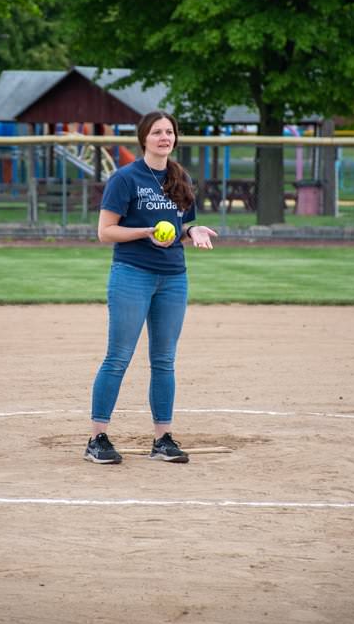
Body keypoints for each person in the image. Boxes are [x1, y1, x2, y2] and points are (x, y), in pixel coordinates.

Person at [84, 110, 217, 465]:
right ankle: (97, 439)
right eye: (157, 132)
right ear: (144, 138)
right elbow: (105, 231)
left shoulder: (180, 177)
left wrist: (194, 231)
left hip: (173, 276)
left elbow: (183, 225)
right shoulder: (126, 179)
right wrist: (144, 232)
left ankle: (163, 440)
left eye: (169, 132)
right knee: (118, 356)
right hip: (132, 273)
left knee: (164, 360)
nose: (164, 137)